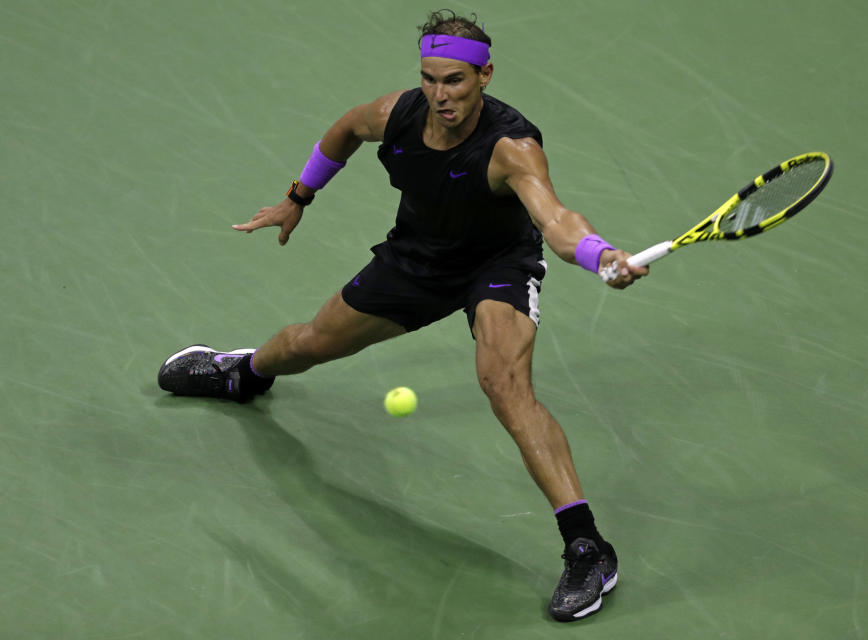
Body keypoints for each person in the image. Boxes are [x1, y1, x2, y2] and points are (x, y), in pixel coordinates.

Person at [158, 10, 647, 622]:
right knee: (310, 342)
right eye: (430, 79)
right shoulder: (397, 114)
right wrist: (296, 197)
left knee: (505, 386)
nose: (441, 95)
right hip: (417, 259)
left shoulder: (511, 147)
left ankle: (586, 547)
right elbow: (342, 131)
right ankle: (244, 374)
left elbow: (555, 221)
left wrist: (601, 255)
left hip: (496, 266)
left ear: (485, 75)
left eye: (456, 82)